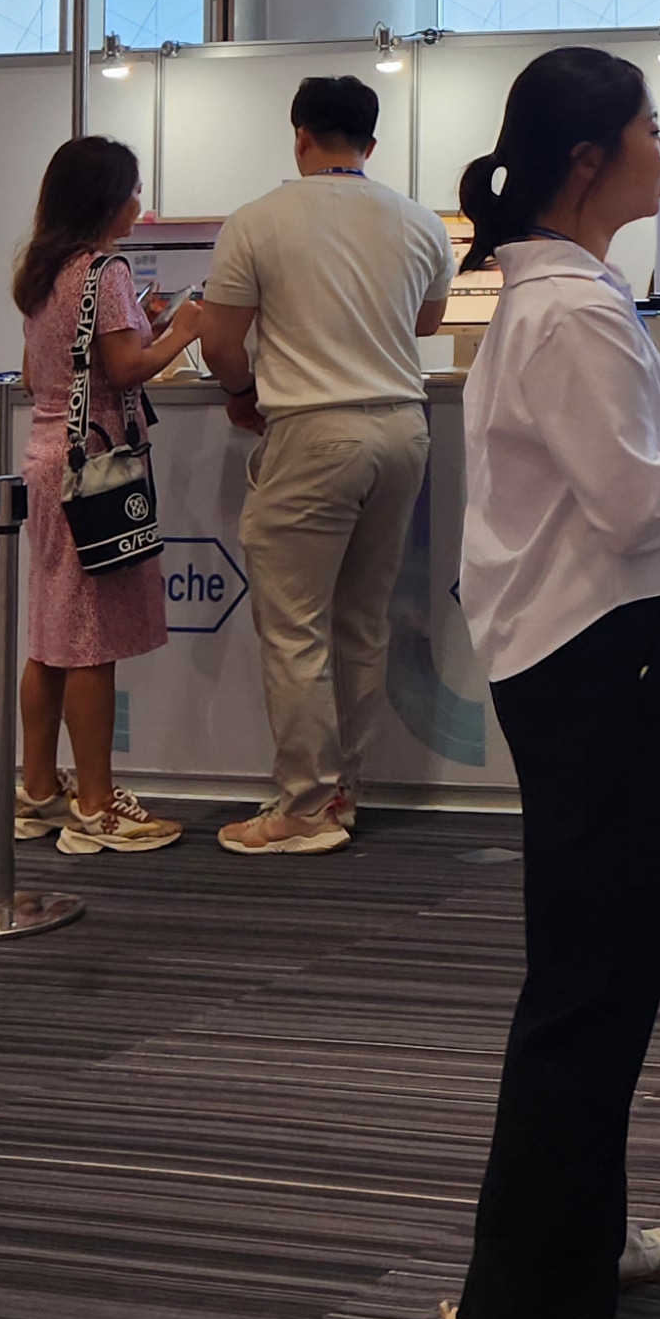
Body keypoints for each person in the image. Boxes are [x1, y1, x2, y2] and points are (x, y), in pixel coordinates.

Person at [432, 49, 660, 1319]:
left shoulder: (560, 295)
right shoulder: (569, 306)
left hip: (589, 652)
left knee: (605, 968)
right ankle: (506, 1314)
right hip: (596, 659)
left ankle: (579, 1227)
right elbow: (635, 506)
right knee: (590, 978)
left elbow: (603, 473)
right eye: (649, 131)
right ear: (588, 159)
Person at [190, 73, 453, 856]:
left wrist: (242, 392)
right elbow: (427, 321)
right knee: (361, 622)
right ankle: (342, 793)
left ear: (299, 135)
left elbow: (219, 342)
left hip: (312, 432)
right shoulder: (421, 222)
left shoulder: (256, 221)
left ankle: (304, 806)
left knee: (295, 625)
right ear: (372, 142)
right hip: (403, 428)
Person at [9, 136, 209, 855]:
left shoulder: (43, 272)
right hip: (95, 466)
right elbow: (125, 368)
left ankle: (38, 790)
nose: (139, 204)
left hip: (46, 461)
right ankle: (95, 806)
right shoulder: (104, 270)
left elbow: (40, 375)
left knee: (50, 639)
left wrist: (141, 323)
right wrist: (181, 330)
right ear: (105, 199)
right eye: (132, 191)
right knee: (90, 641)